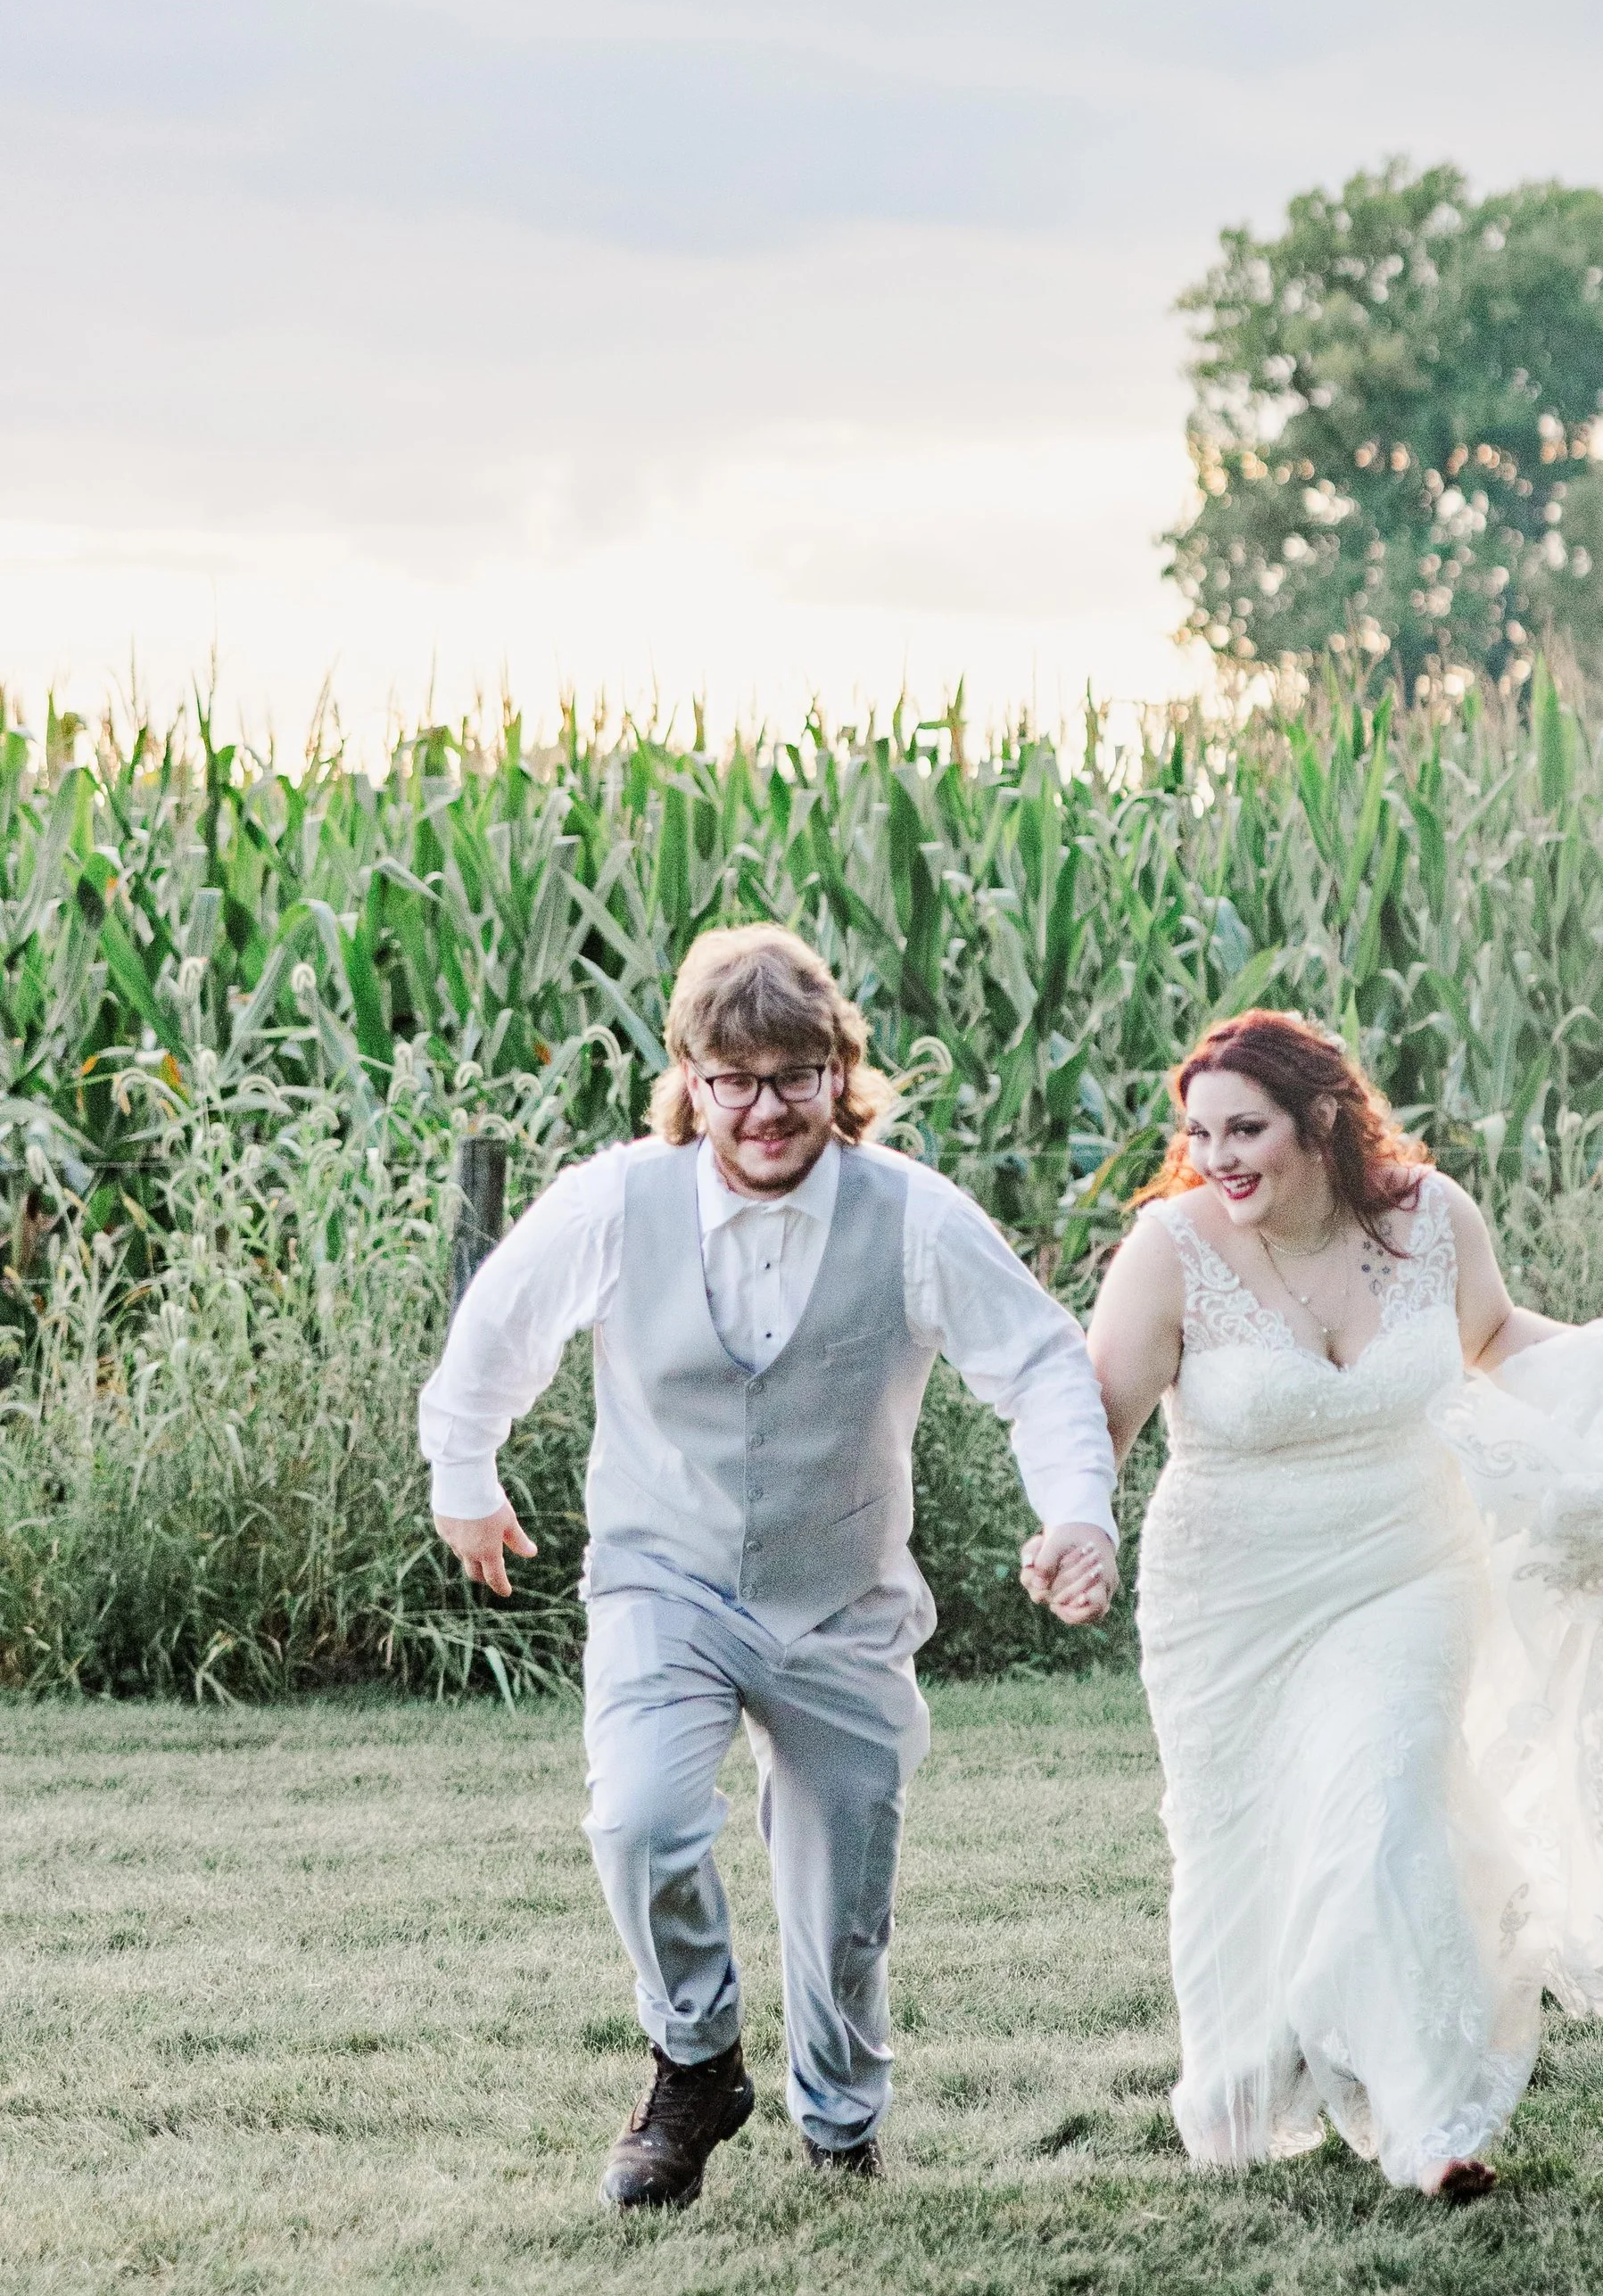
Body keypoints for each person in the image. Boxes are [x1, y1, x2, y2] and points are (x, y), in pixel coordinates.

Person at [419, 923, 1120, 2210]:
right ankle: (694, 2063)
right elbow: (496, 1331)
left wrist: (1078, 1513)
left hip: (841, 1603)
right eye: (731, 1078)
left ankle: (841, 2119)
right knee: (639, 1819)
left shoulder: (909, 1213)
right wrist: (463, 1476)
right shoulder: (615, 1200)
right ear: (686, 1074)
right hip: (663, 1580)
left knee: (845, 1892)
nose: (763, 1109)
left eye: (794, 1074)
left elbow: (1038, 1365)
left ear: (838, 1070)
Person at [1087, 1009, 1603, 2202]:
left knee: (1383, 1815)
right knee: (1235, 1846)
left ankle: (1427, 2127)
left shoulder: (1430, 1221)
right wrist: (1072, 1530)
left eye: (1247, 1129)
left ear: (1321, 1119)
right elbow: (1103, 1422)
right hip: (1229, 1601)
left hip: (1406, 1570)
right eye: (1201, 1133)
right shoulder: (1170, 1251)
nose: (1217, 1157)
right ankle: (1242, 2093)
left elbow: (1492, 1340)